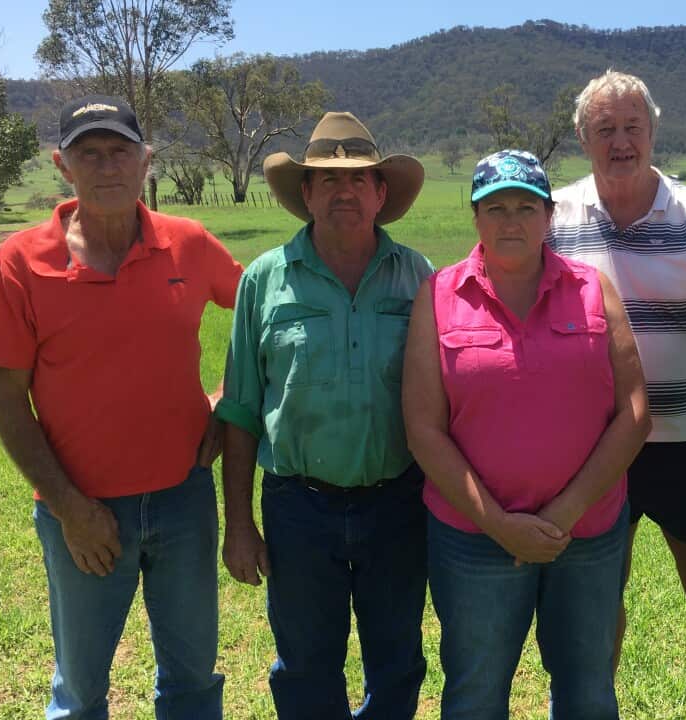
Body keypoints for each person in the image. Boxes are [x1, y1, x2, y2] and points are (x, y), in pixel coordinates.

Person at [0, 95, 241, 719]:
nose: (106, 166)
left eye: (120, 150)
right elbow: (5, 399)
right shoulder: (21, 261)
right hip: (83, 512)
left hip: (184, 498)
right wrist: (71, 510)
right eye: (87, 153)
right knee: (80, 692)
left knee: (193, 681)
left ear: (146, 160)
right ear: (61, 166)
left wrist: (231, 402)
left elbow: (266, 318)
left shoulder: (190, 244)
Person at [546, 71, 686, 719]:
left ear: (653, 131)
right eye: (605, 129)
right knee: (597, 597)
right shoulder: (555, 215)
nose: (620, 141)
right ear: (583, 137)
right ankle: (593, 709)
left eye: (632, 127)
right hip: (594, 446)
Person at [403, 149, 650, 719]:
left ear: (548, 216)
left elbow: (635, 411)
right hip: (474, 539)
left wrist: (562, 515)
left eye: (524, 207)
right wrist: (499, 524)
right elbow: (423, 428)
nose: (510, 221)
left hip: (584, 534)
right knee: (475, 693)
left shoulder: (594, 290)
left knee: (588, 692)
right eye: (495, 208)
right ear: (475, 218)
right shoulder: (438, 297)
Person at [216, 111, 432, 719]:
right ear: (306, 193)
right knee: (307, 666)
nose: (344, 191)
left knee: (397, 661)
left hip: (399, 503)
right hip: (297, 508)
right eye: (327, 179)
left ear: (381, 193)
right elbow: (240, 410)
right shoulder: (264, 280)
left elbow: (446, 398)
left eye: (360, 178)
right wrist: (238, 523)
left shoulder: (417, 277)